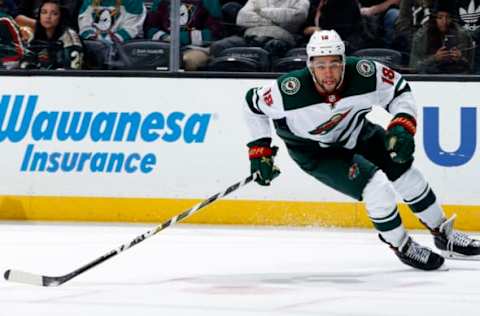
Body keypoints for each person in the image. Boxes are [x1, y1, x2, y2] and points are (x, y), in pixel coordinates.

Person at [243, 29, 480, 270]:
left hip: (357, 132)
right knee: (377, 188)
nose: (328, 73)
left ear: (344, 62)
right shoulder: (289, 90)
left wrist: (402, 124)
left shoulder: (365, 73)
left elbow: (398, 89)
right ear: (309, 65)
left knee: (407, 173)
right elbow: (252, 105)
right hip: (315, 151)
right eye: (321, 65)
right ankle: (402, 245)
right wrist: (259, 149)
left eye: (334, 64)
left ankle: (444, 234)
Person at [144, 0, 223, 71]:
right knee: (143, 57)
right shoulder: (159, 2)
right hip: (163, 47)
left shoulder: (209, 2)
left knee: (189, 59)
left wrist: (179, 38)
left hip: (196, 48)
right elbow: (150, 28)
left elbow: (215, 32)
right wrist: (164, 37)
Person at [409, 0, 473, 74]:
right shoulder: (422, 36)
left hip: (456, 78)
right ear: (434, 18)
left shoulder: (463, 35)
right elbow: (413, 68)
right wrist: (434, 58)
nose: (444, 21)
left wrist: (460, 59)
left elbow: (472, 68)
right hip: (429, 79)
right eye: (440, 17)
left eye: (448, 17)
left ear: (452, 19)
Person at [23, 0, 83, 69]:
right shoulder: (33, 35)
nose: (48, 17)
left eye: (54, 13)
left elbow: (73, 69)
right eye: (44, 12)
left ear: (61, 16)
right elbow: (25, 63)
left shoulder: (70, 37)